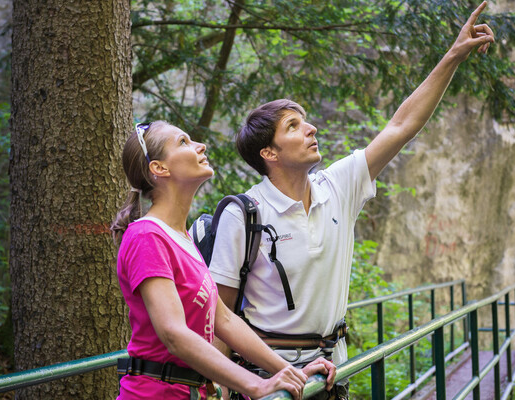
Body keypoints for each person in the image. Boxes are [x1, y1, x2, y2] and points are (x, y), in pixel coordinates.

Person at [208, 2, 495, 399]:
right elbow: (219, 314)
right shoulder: (244, 214)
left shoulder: (336, 187)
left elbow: (401, 126)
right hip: (271, 381)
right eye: (293, 125)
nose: (311, 128)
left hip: (331, 374)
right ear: (269, 154)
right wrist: (223, 384)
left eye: (305, 119)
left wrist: (453, 55)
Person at [110, 121, 336, 400]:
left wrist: (289, 371)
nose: (200, 146)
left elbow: (224, 320)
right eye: (183, 142)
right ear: (159, 168)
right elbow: (173, 333)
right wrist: (256, 385)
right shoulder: (146, 236)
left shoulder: (183, 239)